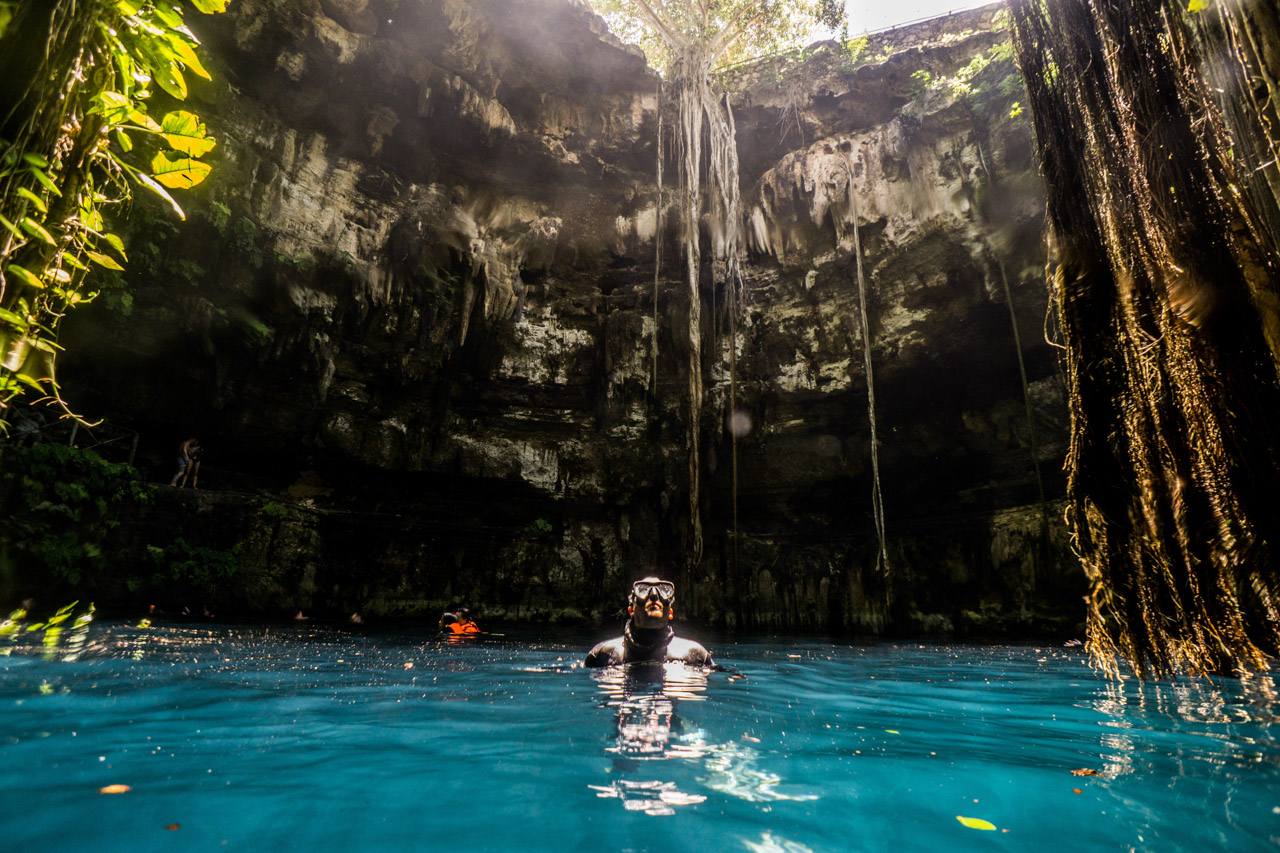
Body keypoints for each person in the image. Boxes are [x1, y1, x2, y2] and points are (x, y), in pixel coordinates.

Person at [585, 577, 713, 667]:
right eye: (643, 591)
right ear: (631, 610)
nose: (653, 596)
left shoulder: (696, 654)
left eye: (662, 592)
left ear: (670, 613)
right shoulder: (602, 654)